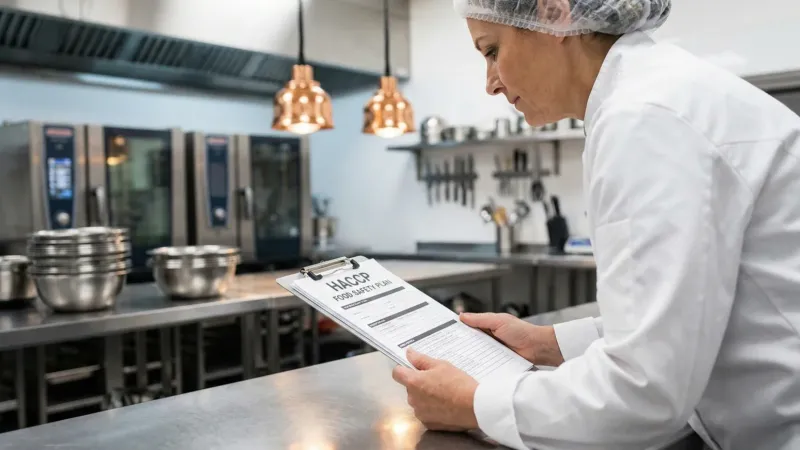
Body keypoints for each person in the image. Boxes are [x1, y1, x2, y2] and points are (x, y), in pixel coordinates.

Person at [390, 0, 800, 449]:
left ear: (552, 13)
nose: (490, 84)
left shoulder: (645, 118)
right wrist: (545, 343)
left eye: (491, 51)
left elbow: (644, 393)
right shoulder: (653, 94)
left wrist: (473, 404)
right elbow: (691, 313)